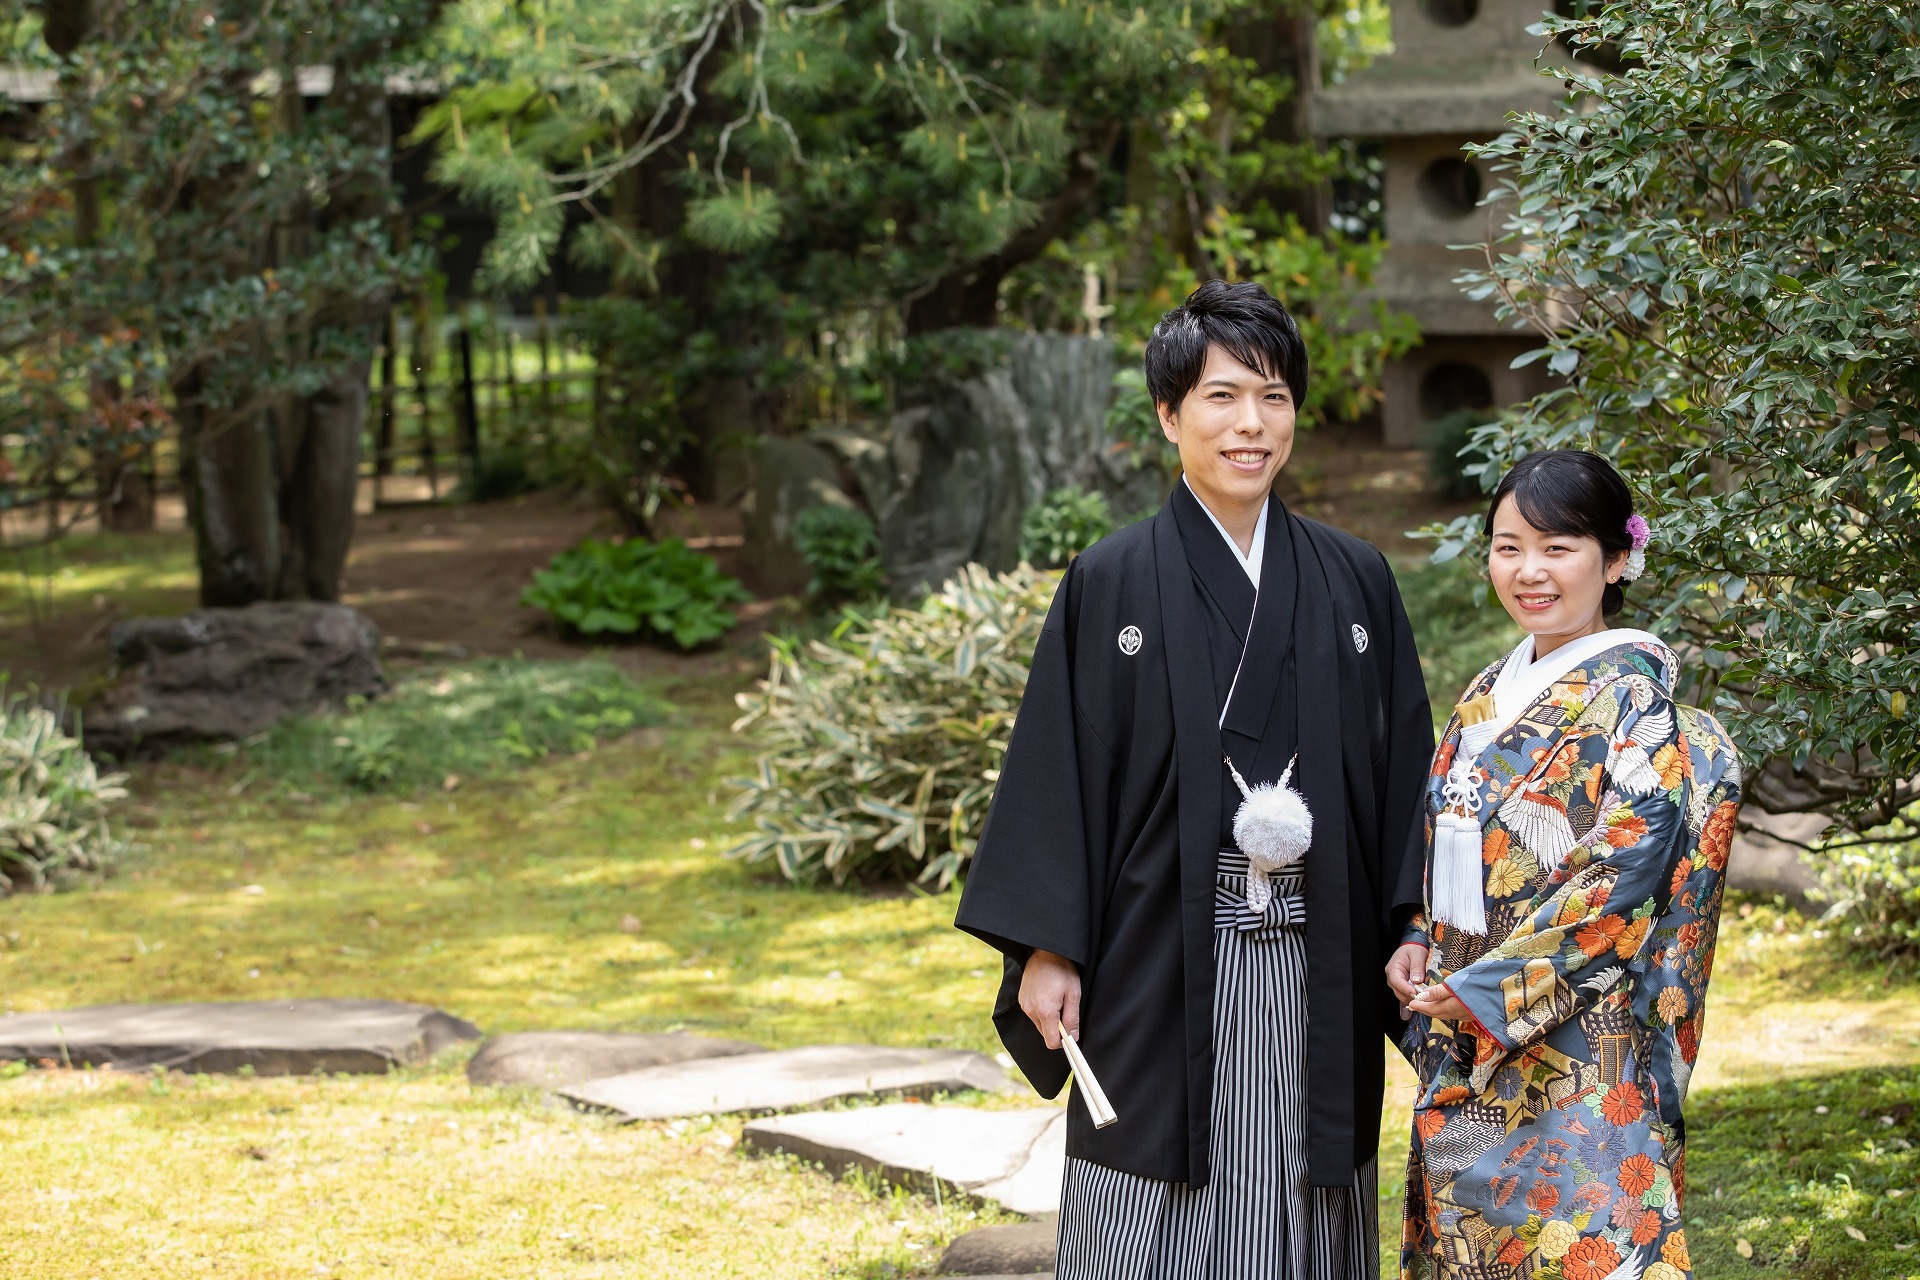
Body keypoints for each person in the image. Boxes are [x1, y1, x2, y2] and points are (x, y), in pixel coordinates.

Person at [955, 280, 1436, 1280]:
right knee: (1147, 1174)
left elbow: (1403, 775)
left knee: (1306, 1175)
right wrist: (1047, 945)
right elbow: (1058, 771)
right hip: (1157, 951)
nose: (1251, 424)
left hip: (1321, 948)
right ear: (1170, 416)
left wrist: (1414, 920)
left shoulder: (1354, 578)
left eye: (1273, 397)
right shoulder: (1111, 580)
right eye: (1222, 397)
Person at [1388, 450, 1741, 1280]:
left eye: (1558, 547)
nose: (1529, 571)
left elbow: (1623, 881)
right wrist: (1417, 933)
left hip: (1577, 1033)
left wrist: (1489, 989)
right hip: (1467, 1022)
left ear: (1616, 559)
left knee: (1577, 1235)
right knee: (1472, 1232)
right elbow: (1446, 835)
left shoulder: (1635, 704)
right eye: (1508, 547)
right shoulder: (1491, 688)